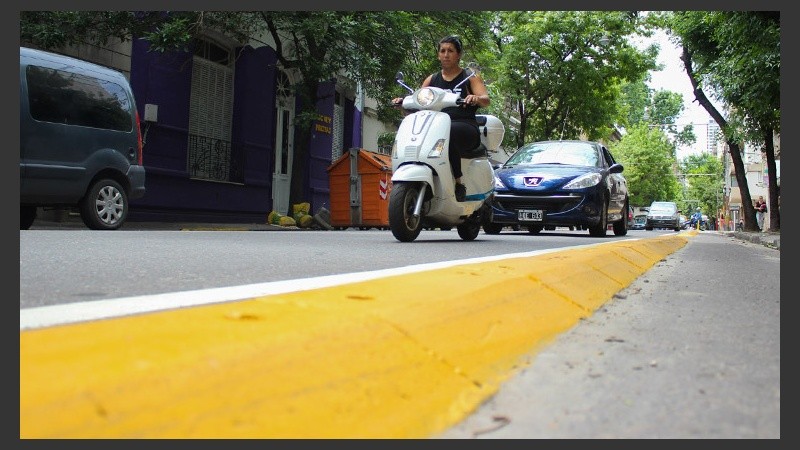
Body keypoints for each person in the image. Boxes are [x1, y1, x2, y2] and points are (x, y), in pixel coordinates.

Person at [393, 36, 490, 201]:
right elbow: (419, 104)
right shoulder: (432, 80)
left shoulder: (469, 76)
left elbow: (486, 99)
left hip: (464, 125)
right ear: (438, 55)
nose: (446, 54)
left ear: (458, 55)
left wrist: (476, 98)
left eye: (450, 51)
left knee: (447, 133)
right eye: (442, 51)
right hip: (434, 127)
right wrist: (403, 104)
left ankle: (458, 183)